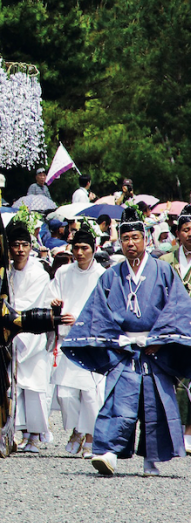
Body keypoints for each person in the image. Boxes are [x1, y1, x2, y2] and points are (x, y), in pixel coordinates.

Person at [64, 206, 191, 476]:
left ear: (145, 238)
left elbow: (177, 307)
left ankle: (151, 461)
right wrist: (116, 339)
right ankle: (108, 453)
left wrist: (160, 338)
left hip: (155, 348)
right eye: (125, 239)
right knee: (117, 402)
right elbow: (99, 311)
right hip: (124, 349)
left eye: (135, 237)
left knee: (154, 404)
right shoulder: (111, 276)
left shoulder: (164, 271)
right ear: (119, 242)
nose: (130, 243)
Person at [49, 227, 106, 458]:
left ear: (94, 249)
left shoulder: (102, 274)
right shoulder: (63, 272)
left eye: (85, 248)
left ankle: (90, 437)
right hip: (67, 339)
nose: (80, 253)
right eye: (77, 248)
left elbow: (105, 309)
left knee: (91, 393)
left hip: (90, 340)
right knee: (65, 394)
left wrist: (80, 320)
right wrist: (52, 302)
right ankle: (77, 430)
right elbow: (50, 293)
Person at [5, 221, 55, 453]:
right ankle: (20, 432)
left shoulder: (39, 273)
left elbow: (29, 304)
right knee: (15, 387)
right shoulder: (6, 272)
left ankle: (35, 435)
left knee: (34, 386)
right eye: (16, 245)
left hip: (33, 333)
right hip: (10, 333)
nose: (21, 250)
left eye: (25, 244)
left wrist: (7, 312)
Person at [160, 204, 191, 453]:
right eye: (186, 229)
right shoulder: (165, 260)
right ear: (177, 233)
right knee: (174, 379)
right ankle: (175, 429)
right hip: (172, 325)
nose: (190, 233)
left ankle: (190, 431)